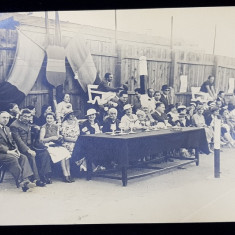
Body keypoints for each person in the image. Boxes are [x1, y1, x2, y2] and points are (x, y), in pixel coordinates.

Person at [10, 109, 51, 186]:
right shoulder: (14, 125)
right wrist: (28, 150)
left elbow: (30, 126)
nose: (27, 118)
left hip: (30, 146)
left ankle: (44, 175)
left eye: (29, 117)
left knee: (44, 153)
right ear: (20, 116)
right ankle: (36, 179)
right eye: (25, 116)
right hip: (20, 149)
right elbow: (18, 141)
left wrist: (36, 127)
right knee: (31, 156)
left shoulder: (27, 123)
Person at [0, 111, 36, 192]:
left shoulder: (7, 128)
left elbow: (12, 141)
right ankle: (20, 181)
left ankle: (25, 180)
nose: (6, 120)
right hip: (2, 153)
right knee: (13, 158)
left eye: (7, 118)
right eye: (3, 117)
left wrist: (16, 150)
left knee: (23, 157)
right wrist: (8, 152)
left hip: (10, 151)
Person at [40, 112, 74, 183]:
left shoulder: (56, 126)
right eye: (48, 118)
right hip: (48, 145)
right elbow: (41, 140)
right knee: (62, 154)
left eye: (51, 118)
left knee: (66, 153)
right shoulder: (43, 127)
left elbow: (58, 138)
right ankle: (65, 174)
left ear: (53, 119)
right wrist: (51, 138)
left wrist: (61, 141)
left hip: (56, 144)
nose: (49, 120)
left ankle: (69, 173)